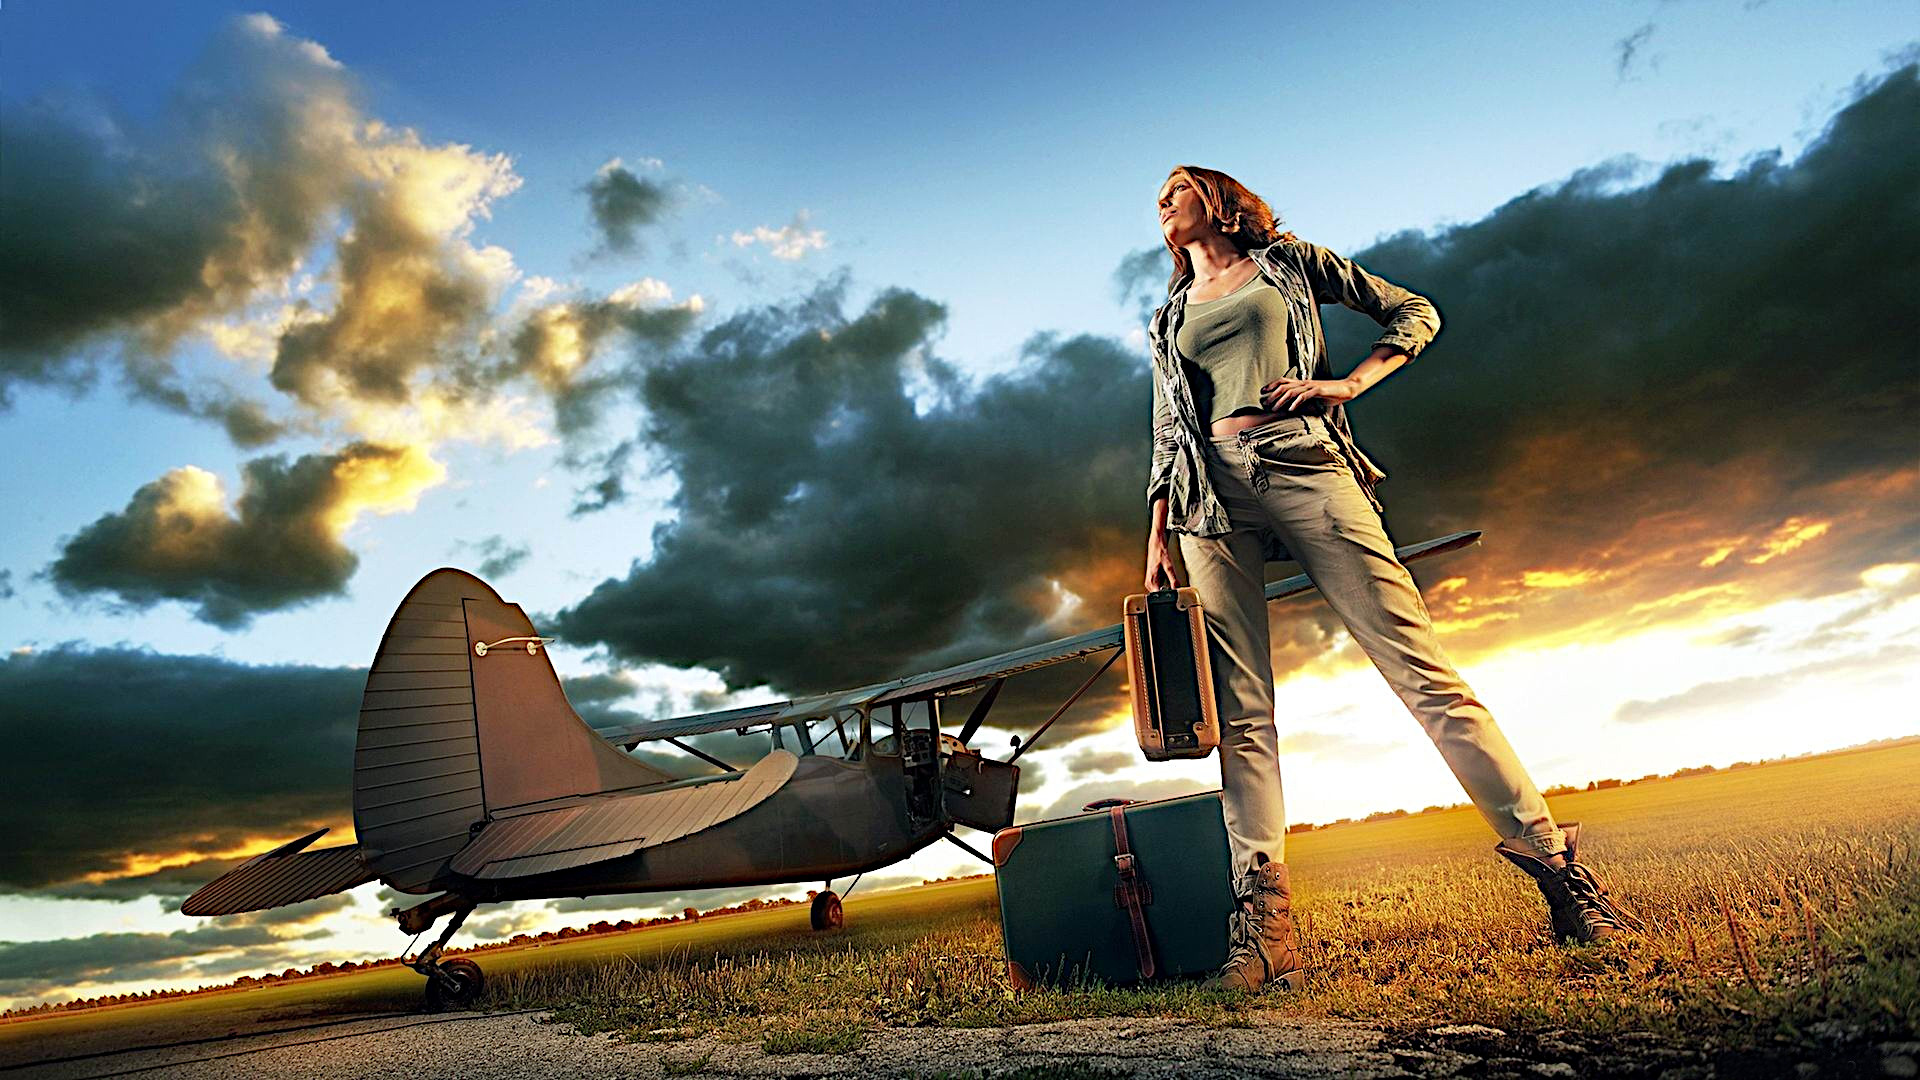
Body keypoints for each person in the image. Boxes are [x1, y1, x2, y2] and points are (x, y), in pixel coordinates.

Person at [1142, 166, 1633, 994]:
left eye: (1177, 189)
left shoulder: (1293, 266)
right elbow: (1166, 424)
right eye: (1157, 200)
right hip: (1204, 506)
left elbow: (1416, 311)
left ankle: (1564, 877)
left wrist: (1344, 385)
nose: (1163, 205)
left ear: (1219, 200)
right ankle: (1265, 931)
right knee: (1243, 713)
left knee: (1421, 671)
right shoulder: (1166, 317)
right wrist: (1155, 531)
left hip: (1305, 465)